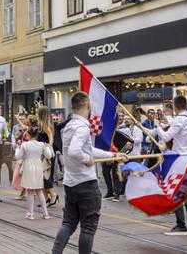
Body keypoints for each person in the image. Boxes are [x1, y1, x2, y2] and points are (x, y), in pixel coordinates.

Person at [52, 92, 127, 254]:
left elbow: (87, 149)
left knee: (68, 223)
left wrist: (113, 155)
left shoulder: (68, 126)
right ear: (87, 106)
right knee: (88, 227)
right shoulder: (82, 127)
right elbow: (75, 151)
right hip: (85, 183)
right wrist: (87, 159)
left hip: (70, 182)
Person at [149, 96, 187, 236]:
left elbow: (166, 137)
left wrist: (157, 125)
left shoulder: (180, 120)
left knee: (175, 191)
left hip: (179, 159)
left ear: (176, 107)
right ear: (186, 105)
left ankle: (181, 225)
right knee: (186, 191)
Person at [15, 126, 52, 220]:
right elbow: (49, 155)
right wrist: (46, 146)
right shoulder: (41, 144)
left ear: (29, 134)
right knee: (39, 191)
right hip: (38, 167)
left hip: (28, 168)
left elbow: (17, 156)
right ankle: (45, 213)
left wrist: (17, 148)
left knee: (30, 192)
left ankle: (30, 214)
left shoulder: (25, 145)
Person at [35, 106, 59, 208]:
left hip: (47, 153)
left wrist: (47, 148)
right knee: (42, 176)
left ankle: (53, 195)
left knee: (45, 175)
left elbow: (51, 139)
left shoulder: (46, 126)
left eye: (38, 113)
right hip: (43, 152)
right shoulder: (41, 125)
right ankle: (45, 198)